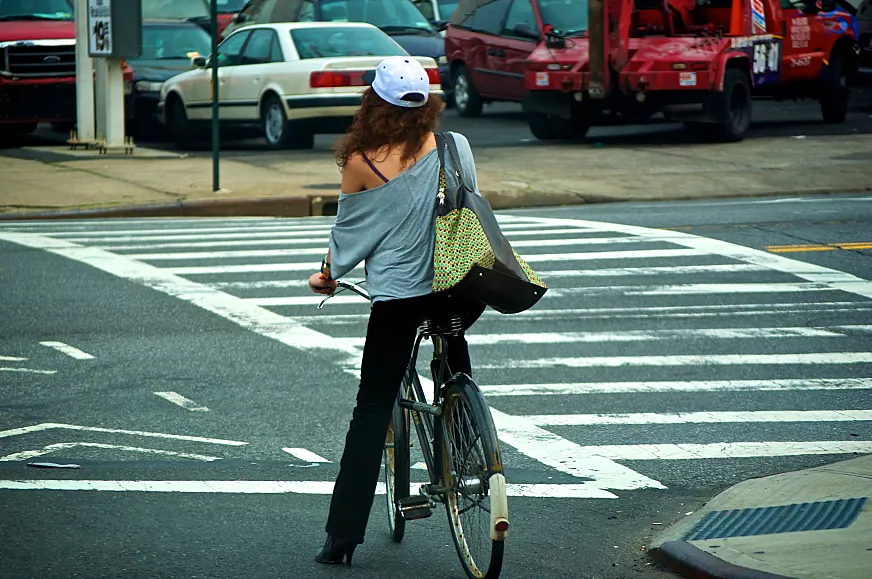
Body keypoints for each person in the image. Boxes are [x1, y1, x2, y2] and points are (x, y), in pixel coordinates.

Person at [308, 55, 486, 566]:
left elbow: (350, 238)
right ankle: (467, 449)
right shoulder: (455, 147)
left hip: (398, 299)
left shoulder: (362, 161)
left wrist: (328, 275)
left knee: (371, 408)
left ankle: (341, 539)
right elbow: (469, 208)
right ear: (426, 104)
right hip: (458, 288)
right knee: (453, 350)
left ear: (374, 101)